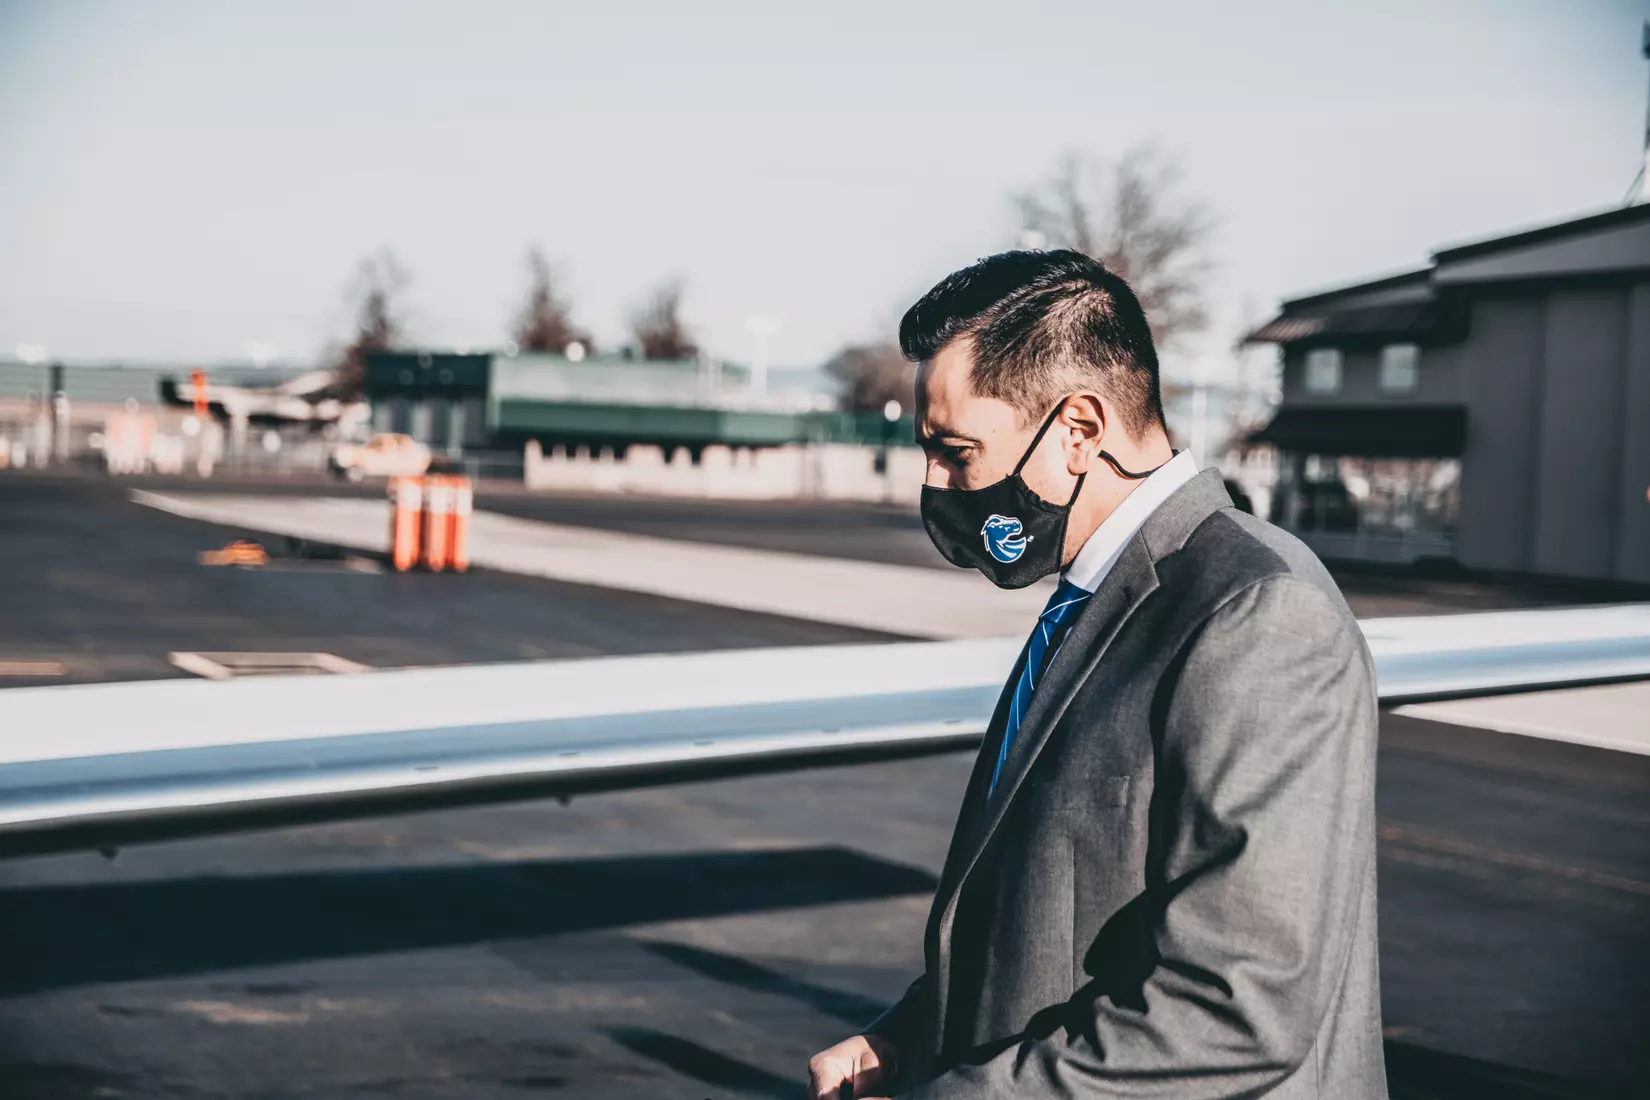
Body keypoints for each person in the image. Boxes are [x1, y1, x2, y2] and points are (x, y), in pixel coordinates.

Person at [808, 251, 1385, 1100]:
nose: (935, 482)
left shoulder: (1258, 610)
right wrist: (912, 1038)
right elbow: (1053, 912)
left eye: (956, 448)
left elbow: (1239, 1007)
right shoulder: (1093, 601)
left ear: (1079, 430)